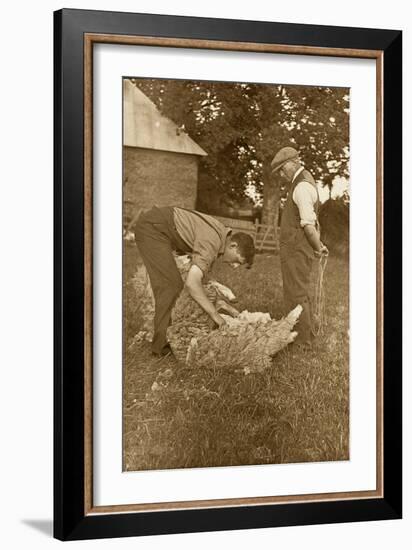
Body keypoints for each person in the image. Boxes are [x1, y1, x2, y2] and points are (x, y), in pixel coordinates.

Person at [133, 206, 255, 356]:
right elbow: (192, 283)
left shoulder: (220, 235)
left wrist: (228, 307)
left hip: (161, 228)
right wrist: (215, 316)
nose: (235, 267)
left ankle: (168, 332)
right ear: (233, 245)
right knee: (170, 285)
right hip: (153, 229)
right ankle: (160, 346)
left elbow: (202, 277)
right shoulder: (211, 242)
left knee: (177, 283)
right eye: (237, 260)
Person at [271, 146, 328, 347]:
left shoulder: (302, 187)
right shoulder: (301, 183)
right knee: (299, 291)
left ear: (291, 163)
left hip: (296, 249)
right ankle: (303, 334)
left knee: (297, 293)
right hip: (297, 248)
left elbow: (308, 225)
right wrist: (317, 245)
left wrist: (318, 246)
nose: (280, 174)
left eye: (281, 168)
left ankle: (303, 342)